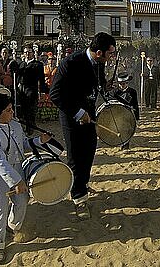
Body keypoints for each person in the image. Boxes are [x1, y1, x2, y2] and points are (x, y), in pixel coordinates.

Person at [49, 32, 116, 219]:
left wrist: (106, 87)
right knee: (76, 156)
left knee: (89, 151)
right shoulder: (70, 63)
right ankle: (78, 198)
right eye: (110, 53)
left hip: (89, 115)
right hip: (72, 117)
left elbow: (98, 85)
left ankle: (82, 184)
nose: (112, 57)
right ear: (99, 52)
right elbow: (55, 95)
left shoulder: (98, 64)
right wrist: (78, 112)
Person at [0, 92, 53, 264]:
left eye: (12, 109)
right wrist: (17, 181)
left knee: (22, 200)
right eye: (8, 110)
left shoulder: (14, 124)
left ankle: (12, 226)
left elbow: (22, 144)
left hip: (17, 169)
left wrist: (39, 140)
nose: (12, 112)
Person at [14, 46, 47, 135]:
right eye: (25, 52)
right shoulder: (21, 64)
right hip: (21, 89)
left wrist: (43, 91)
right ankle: (27, 125)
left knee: (30, 109)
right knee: (23, 109)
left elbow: (42, 79)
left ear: (33, 53)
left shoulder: (38, 64)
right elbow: (18, 76)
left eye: (29, 52)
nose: (27, 54)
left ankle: (30, 128)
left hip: (31, 89)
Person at [111, 72, 140, 150]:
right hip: (118, 113)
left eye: (124, 83)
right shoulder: (115, 92)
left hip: (128, 113)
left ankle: (126, 145)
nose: (122, 85)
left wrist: (137, 117)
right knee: (119, 129)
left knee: (127, 129)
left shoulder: (132, 92)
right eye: (120, 84)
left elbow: (135, 105)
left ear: (127, 83)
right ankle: (121, 143)